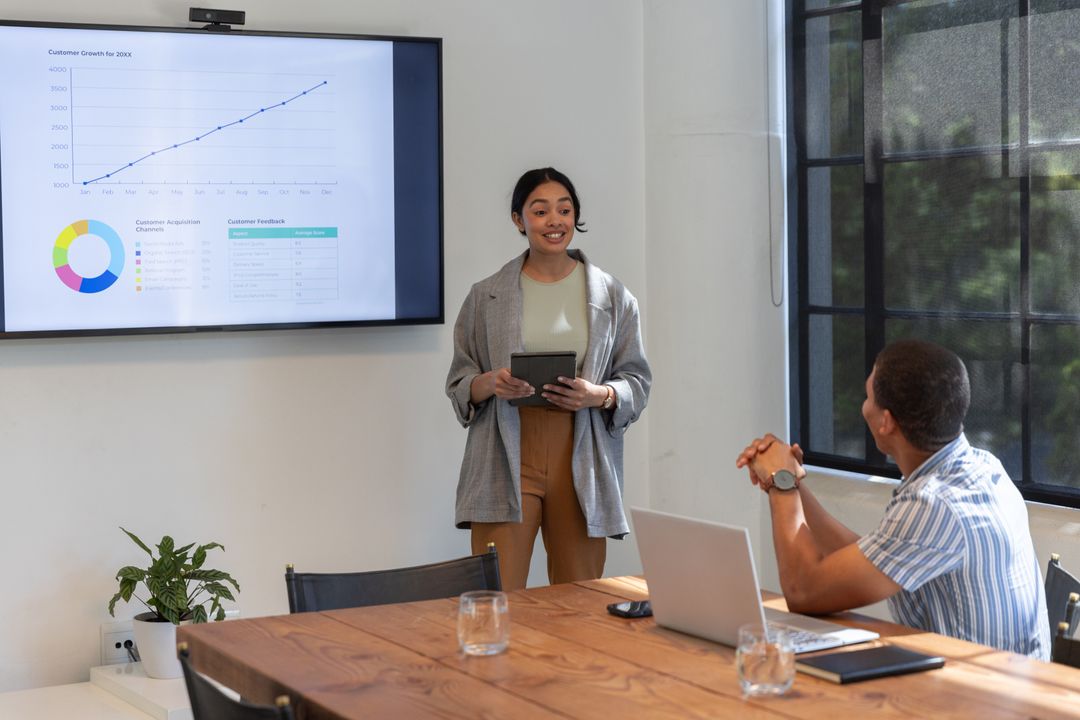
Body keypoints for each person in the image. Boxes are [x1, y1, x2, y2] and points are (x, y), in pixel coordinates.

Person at [735, 339, 1050, 659]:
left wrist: (781, 484)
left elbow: (803, 592)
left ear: (885, 422)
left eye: (868, 396)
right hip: (1009, 692)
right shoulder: (980, 469)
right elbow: (874, 556)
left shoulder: (934, 504)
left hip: (980, 702)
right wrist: (793, 480)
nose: (863, 406)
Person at [446, 167, 650, 591]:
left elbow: (637, 381)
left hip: (581, 448)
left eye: (564, 209)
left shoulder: (613, 295)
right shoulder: (485, 296)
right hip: (504, 449)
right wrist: (491, 383)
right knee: (496, 593)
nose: (554, 221)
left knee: (581, 596)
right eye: (540, 211)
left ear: (575, 216)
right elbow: (460, 381)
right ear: (520, 220)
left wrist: (600, 394)